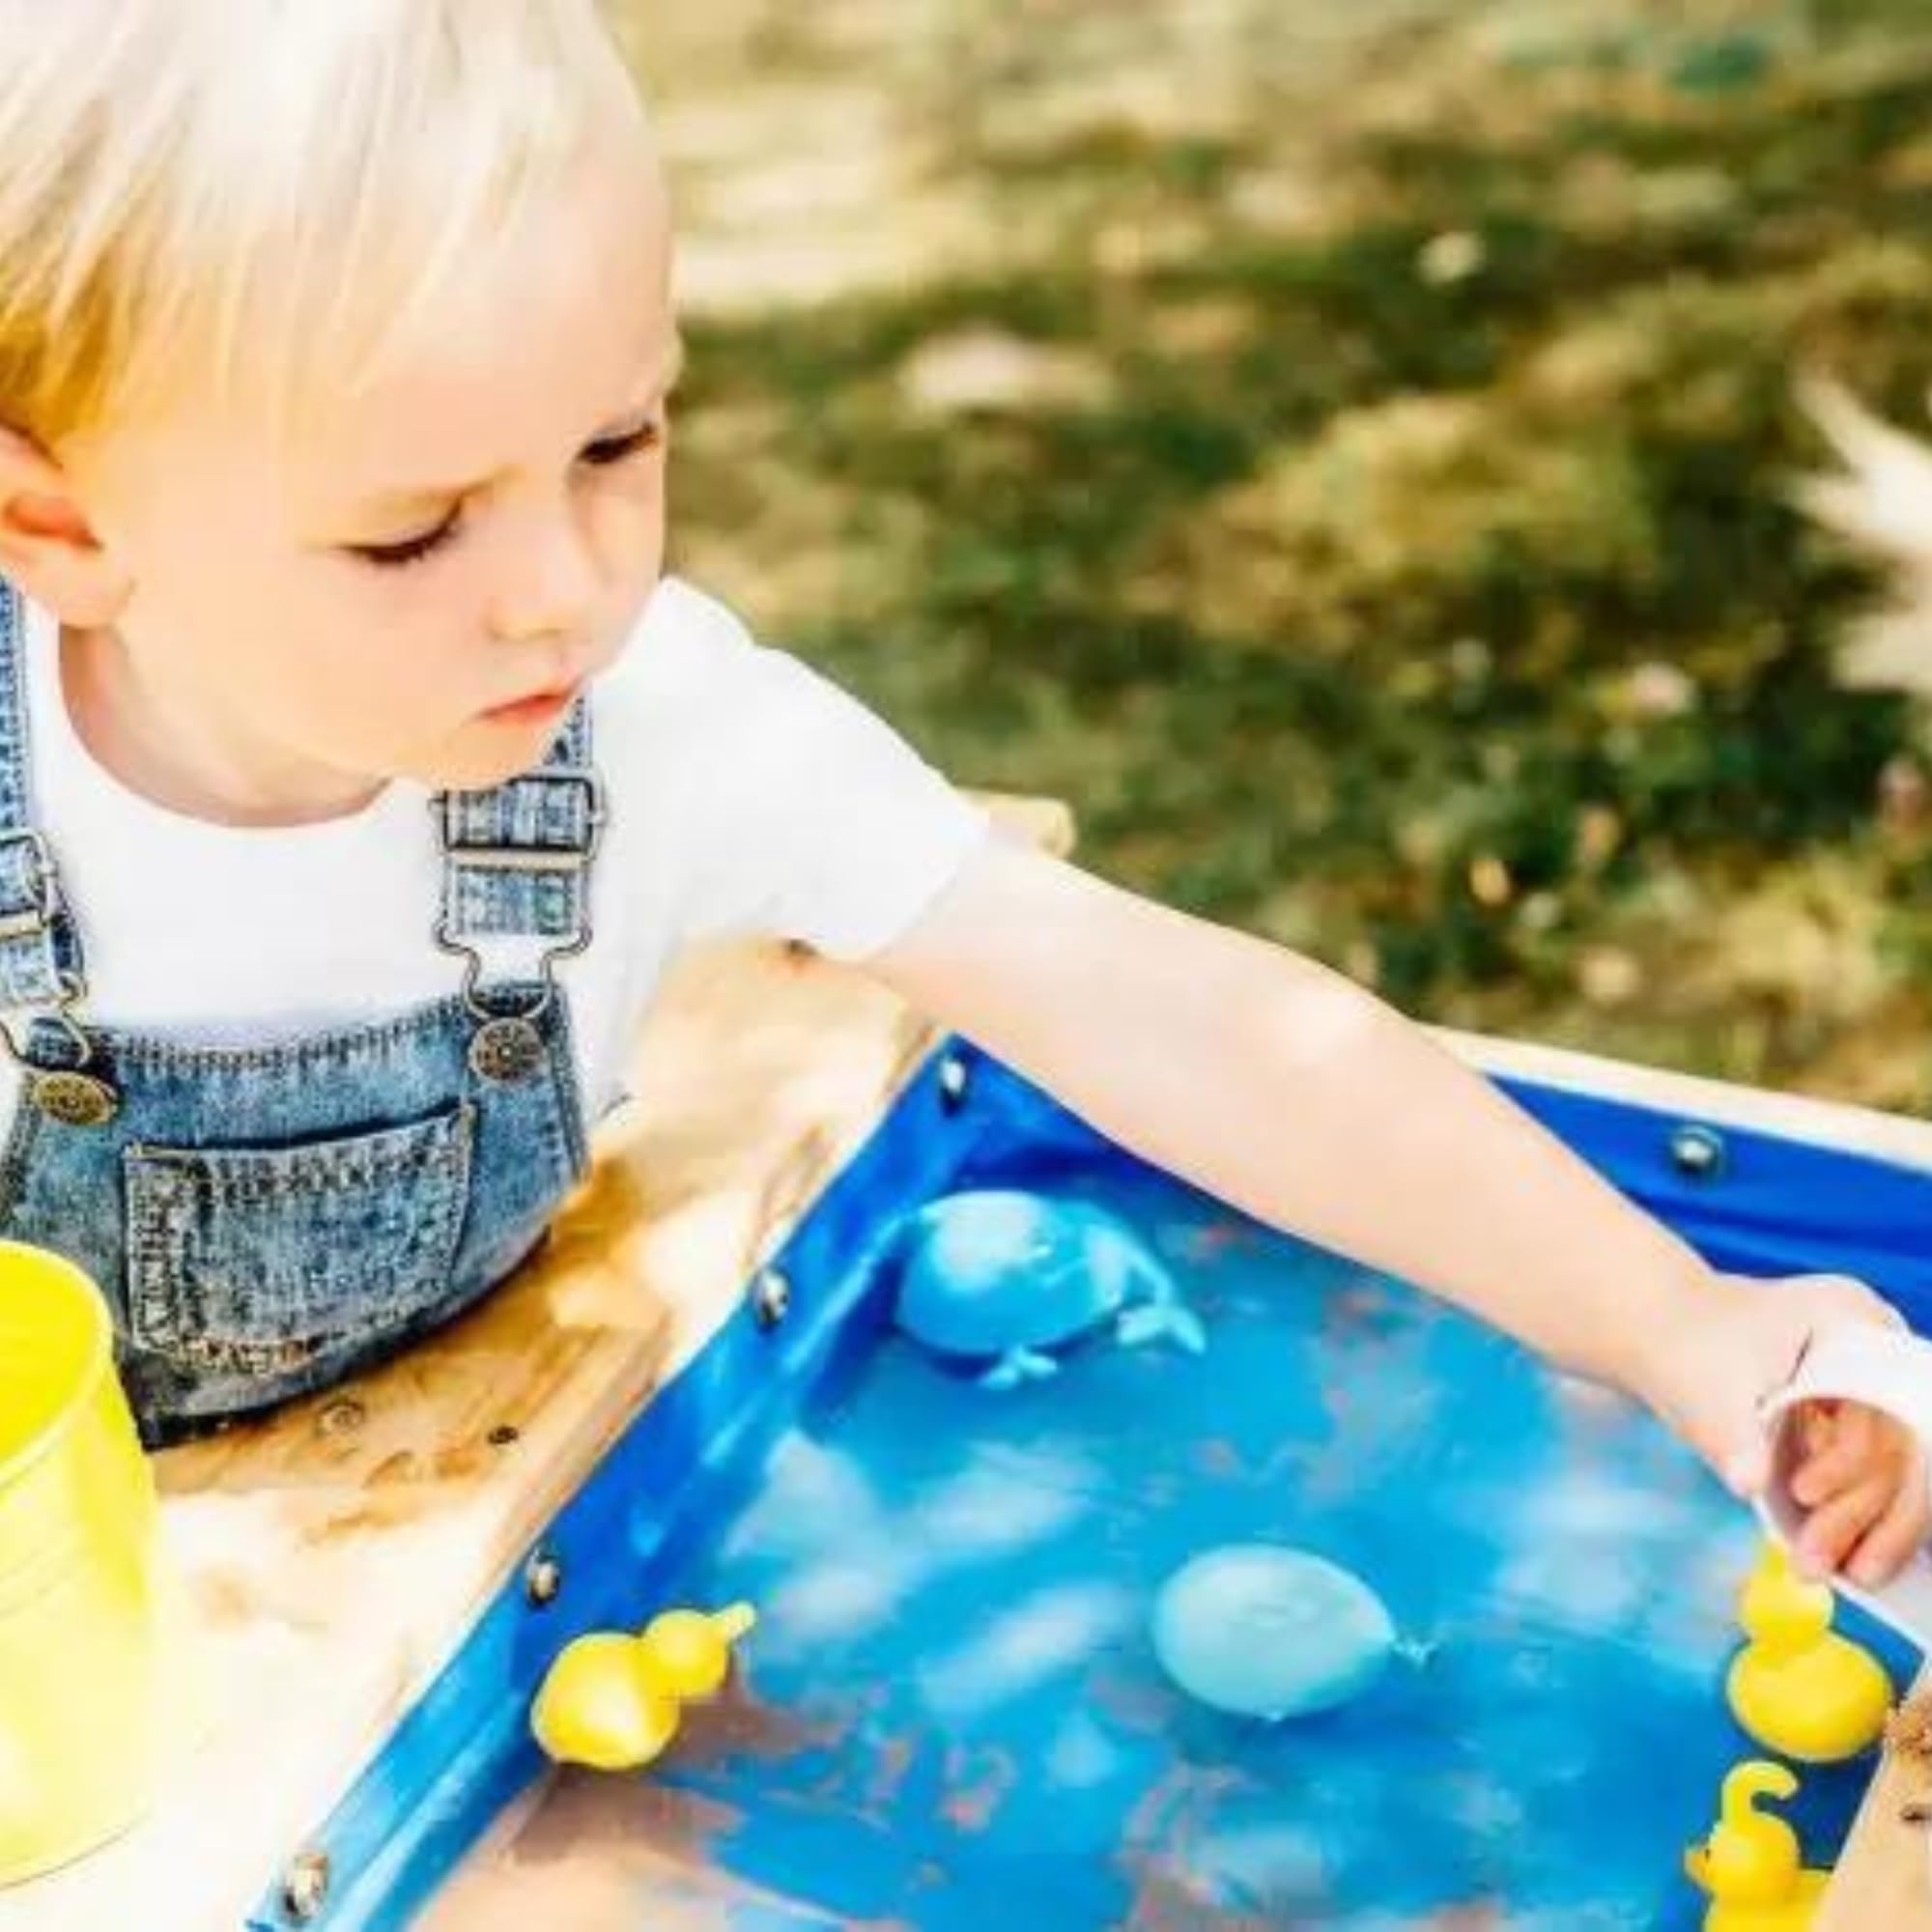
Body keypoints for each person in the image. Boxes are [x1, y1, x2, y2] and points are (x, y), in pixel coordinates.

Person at [0, 0, 1919, 1586]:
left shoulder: (650, 725)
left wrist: (1683, 1323)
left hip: (422, 1575)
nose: (564, 583)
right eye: (410, 533)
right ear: (58, 520)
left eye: (617, 437)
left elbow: (1208, 1029)